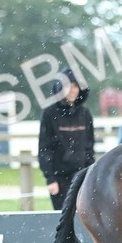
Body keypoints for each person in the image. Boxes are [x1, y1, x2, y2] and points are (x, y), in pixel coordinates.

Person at [38, 68, 96, 210]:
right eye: (68, 85)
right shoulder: (49, 113)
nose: (72, 90)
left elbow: (89, 147)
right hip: (59, 180)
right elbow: (45, 148)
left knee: (84, 218)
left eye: (76, 86)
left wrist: (90, 175)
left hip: (82, 177)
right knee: (62, 221)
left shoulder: (85, 114)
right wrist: (50, 178)